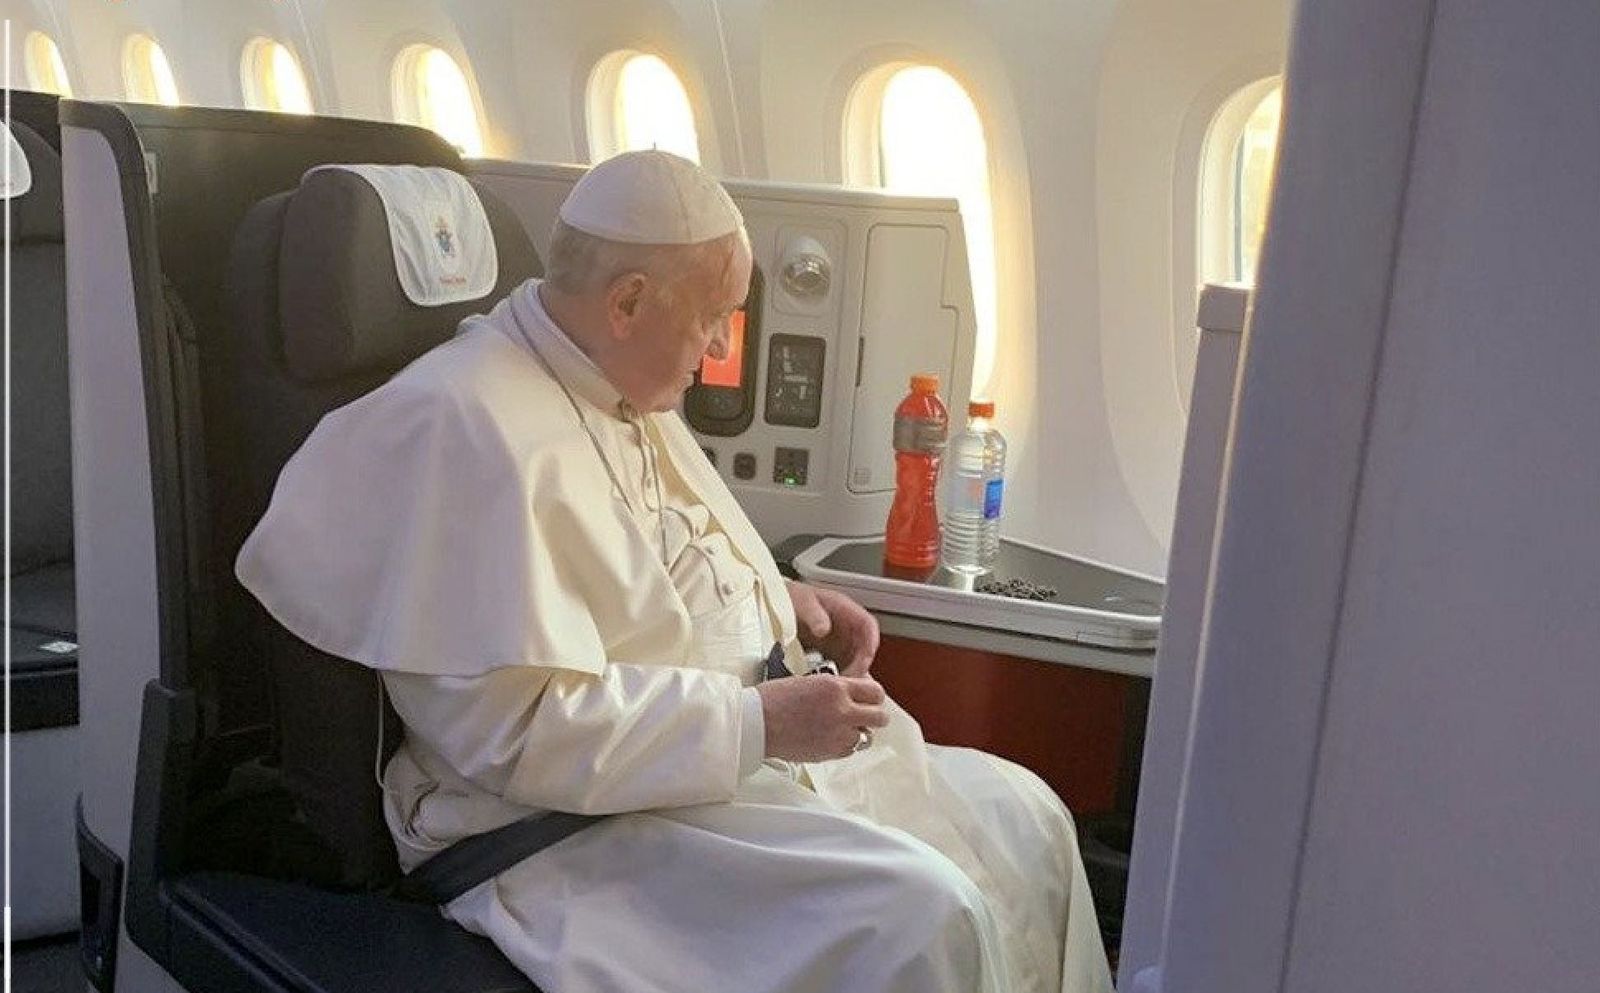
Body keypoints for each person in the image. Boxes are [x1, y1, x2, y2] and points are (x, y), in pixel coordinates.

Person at [236, 150, 1112, 993]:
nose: (721, 345)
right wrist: (758, 723)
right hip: (555, 824)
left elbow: (649, 567)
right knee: (925, 917)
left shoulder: (604, 375)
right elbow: (520, 734)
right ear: (627, 302)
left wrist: (782, 604)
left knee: (1027, 815)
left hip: (689, 765)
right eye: (712, 318)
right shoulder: (461, 428)